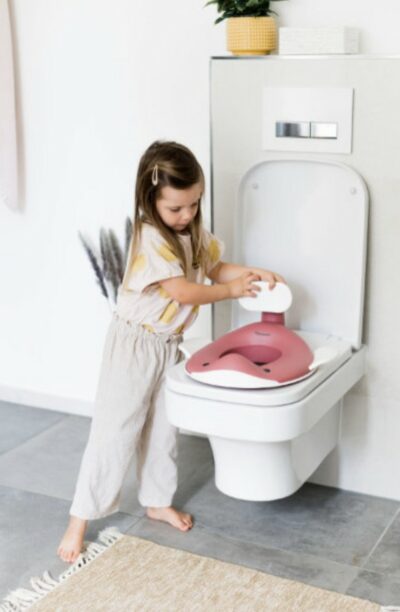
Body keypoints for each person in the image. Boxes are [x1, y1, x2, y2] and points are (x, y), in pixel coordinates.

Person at [57, 140, 284, 563]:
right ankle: (79, 518)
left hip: (167, 347)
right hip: (134, 346)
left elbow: (216, 268)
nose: (187, 215)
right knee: (114, 432)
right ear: (150, 201)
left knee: (164, 429)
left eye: (195, 204)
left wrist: (253, 275)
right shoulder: (150, 238)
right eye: (176, 208)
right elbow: (182, 290)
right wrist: (231, 292)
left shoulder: (192, 232)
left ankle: (157, 501)